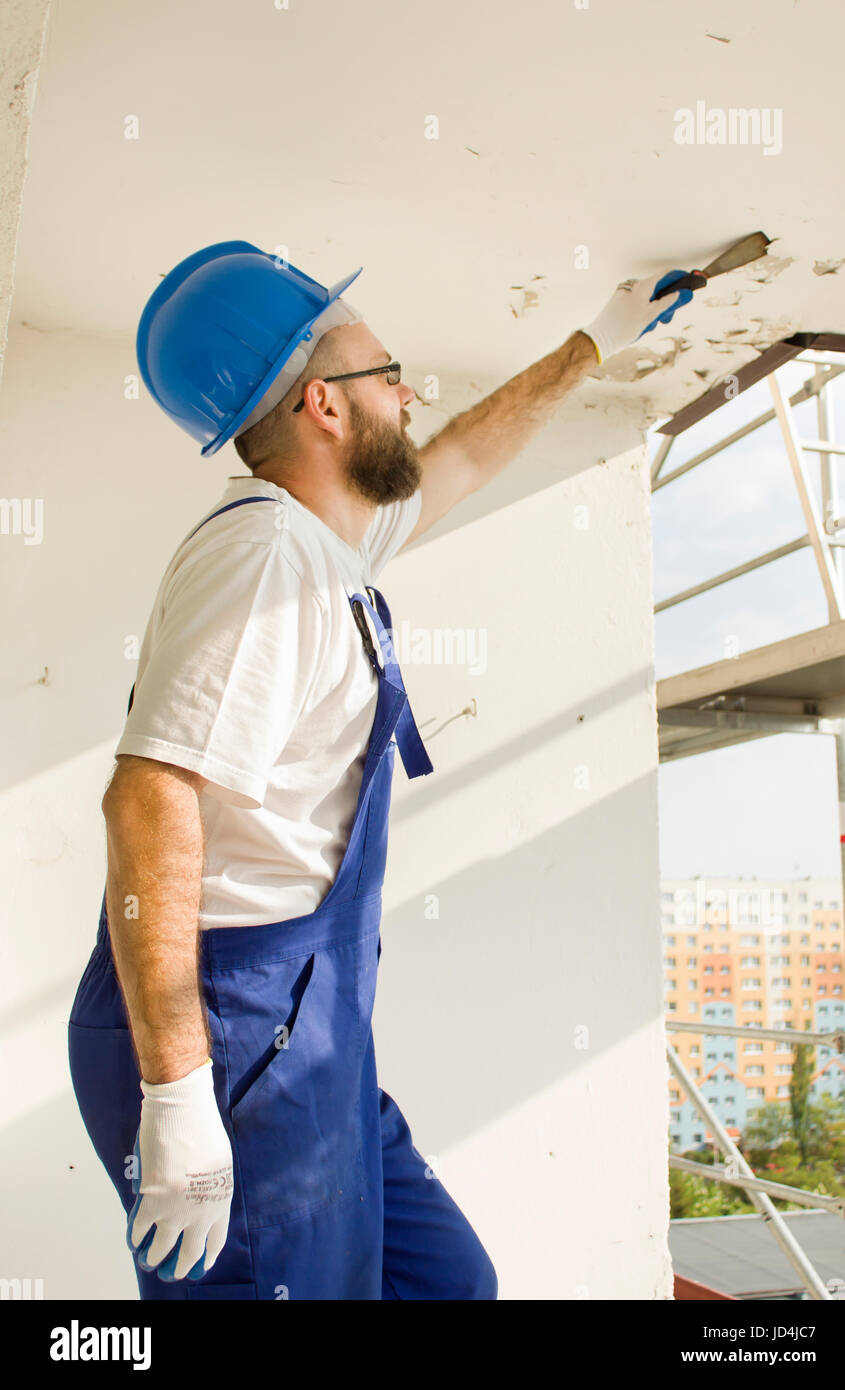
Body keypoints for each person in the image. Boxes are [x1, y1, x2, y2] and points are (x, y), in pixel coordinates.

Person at [68, 242, 692, 1300]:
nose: (406, 392)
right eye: (385, 371)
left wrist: (595, 341)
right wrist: (177, 1093)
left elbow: (457, 456)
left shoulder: (327, 548)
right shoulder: (265, 559)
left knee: (446, 1283)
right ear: (322, 403)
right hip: (225, 1030)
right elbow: (149, 797)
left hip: (308, 1024)